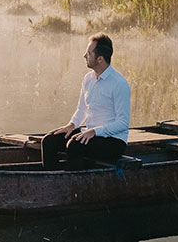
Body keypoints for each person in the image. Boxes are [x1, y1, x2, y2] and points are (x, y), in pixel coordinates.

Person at [41, 33, 130, 170]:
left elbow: (123, 123)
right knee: (49, 141)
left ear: (100, 59)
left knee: (74, 146)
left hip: (113, 141)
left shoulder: (119, 83)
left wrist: (95, 132)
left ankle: (74, 187)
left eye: (88, 53)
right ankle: (52, 183)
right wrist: (72, 125)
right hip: (90, 134)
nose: (84, 56)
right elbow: (82, 109)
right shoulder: (88, 79)